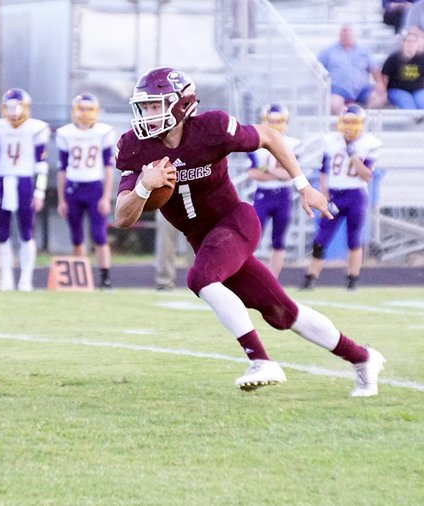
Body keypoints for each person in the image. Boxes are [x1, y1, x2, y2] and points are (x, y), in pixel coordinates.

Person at [113, 66, 386, 397]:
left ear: (182, 104)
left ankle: (261, 361)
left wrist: (303, 186)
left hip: (235, 222)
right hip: (204, 240)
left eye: (156, 105)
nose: (148, 114)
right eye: (145, 107)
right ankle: (363, 359)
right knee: (283, 312)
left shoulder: (212, 128)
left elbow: (270, 137)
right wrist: (144, 187)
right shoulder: (135, 147)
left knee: (199, 279)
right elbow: (123, 217)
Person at [301, 104, 381, 291]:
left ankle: (352, 280)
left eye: (353, 122)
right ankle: (310, 279)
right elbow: (322, 171)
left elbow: (366, 175)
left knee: (354, 239)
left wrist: (352, 154)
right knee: (321, 238)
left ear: (361, 124)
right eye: (346, 122)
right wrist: (324, 193)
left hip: (356, 195)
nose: (349, 126)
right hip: (335, 194)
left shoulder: (369, 143)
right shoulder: (331, 140)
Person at [0, 88, 50, 291]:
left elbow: (42, 164)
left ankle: (25, 279)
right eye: (9, 107)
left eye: (17, 106)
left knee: (26, 231)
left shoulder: (36, 128)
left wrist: (39, 192)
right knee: (2, 231)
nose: (13, 112)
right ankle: (6, 278)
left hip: (25, 182)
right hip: (2, 181)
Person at [55, 93, 115, 289]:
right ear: (74, 110)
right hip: (73, 188)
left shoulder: (103, 133)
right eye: (81, 109)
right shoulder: (66, 133)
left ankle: (105, 279)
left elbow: (108, 167)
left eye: (89, 109)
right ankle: (81, 279)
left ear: (96, 111)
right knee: (77, 236)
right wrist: (61, 199)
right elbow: (62, 169)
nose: (85, 113)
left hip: (94, 187)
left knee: (99, 235)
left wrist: (106, 196)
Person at [246, 103, 301, 277]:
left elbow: (289, 175)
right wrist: (277, 173)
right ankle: (248, 276)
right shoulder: (256, 144)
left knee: (279, 241)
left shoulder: (292, 144)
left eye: (279, 121)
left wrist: (267, 170)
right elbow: (252, 174)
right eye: (271, 121)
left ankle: (273, 279)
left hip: (283, 196)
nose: (275, 125)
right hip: (263, 195)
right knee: (252, 238)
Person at [317, 24, 387, 114]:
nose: (347, 34)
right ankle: (344, 122)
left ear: (353, 34)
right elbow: (316, 66)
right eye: (344, 31)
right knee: (333, 104)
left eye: (349, 31)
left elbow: (374, 69)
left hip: (362, 89)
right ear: (339, 34)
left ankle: (364, 121)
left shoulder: (364, 51)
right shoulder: (329, 51)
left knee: (380, 98)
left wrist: (379, 83)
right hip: (338, 90)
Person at [381, 30, 424, 109]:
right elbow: (384, 77)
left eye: (413, 41)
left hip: (418, 90)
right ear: (403, 43)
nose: (411, 44)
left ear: (417, 44)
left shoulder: (421, 58)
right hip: (398, 90)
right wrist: (383, 93)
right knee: (409, 107)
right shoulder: (393, 58)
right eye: (408, 41)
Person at [155, 213, 181, 290]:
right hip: (167, 202)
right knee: (165, 241)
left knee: (201, 239)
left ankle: (204, 279)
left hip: (198, 202)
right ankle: (164, 282)